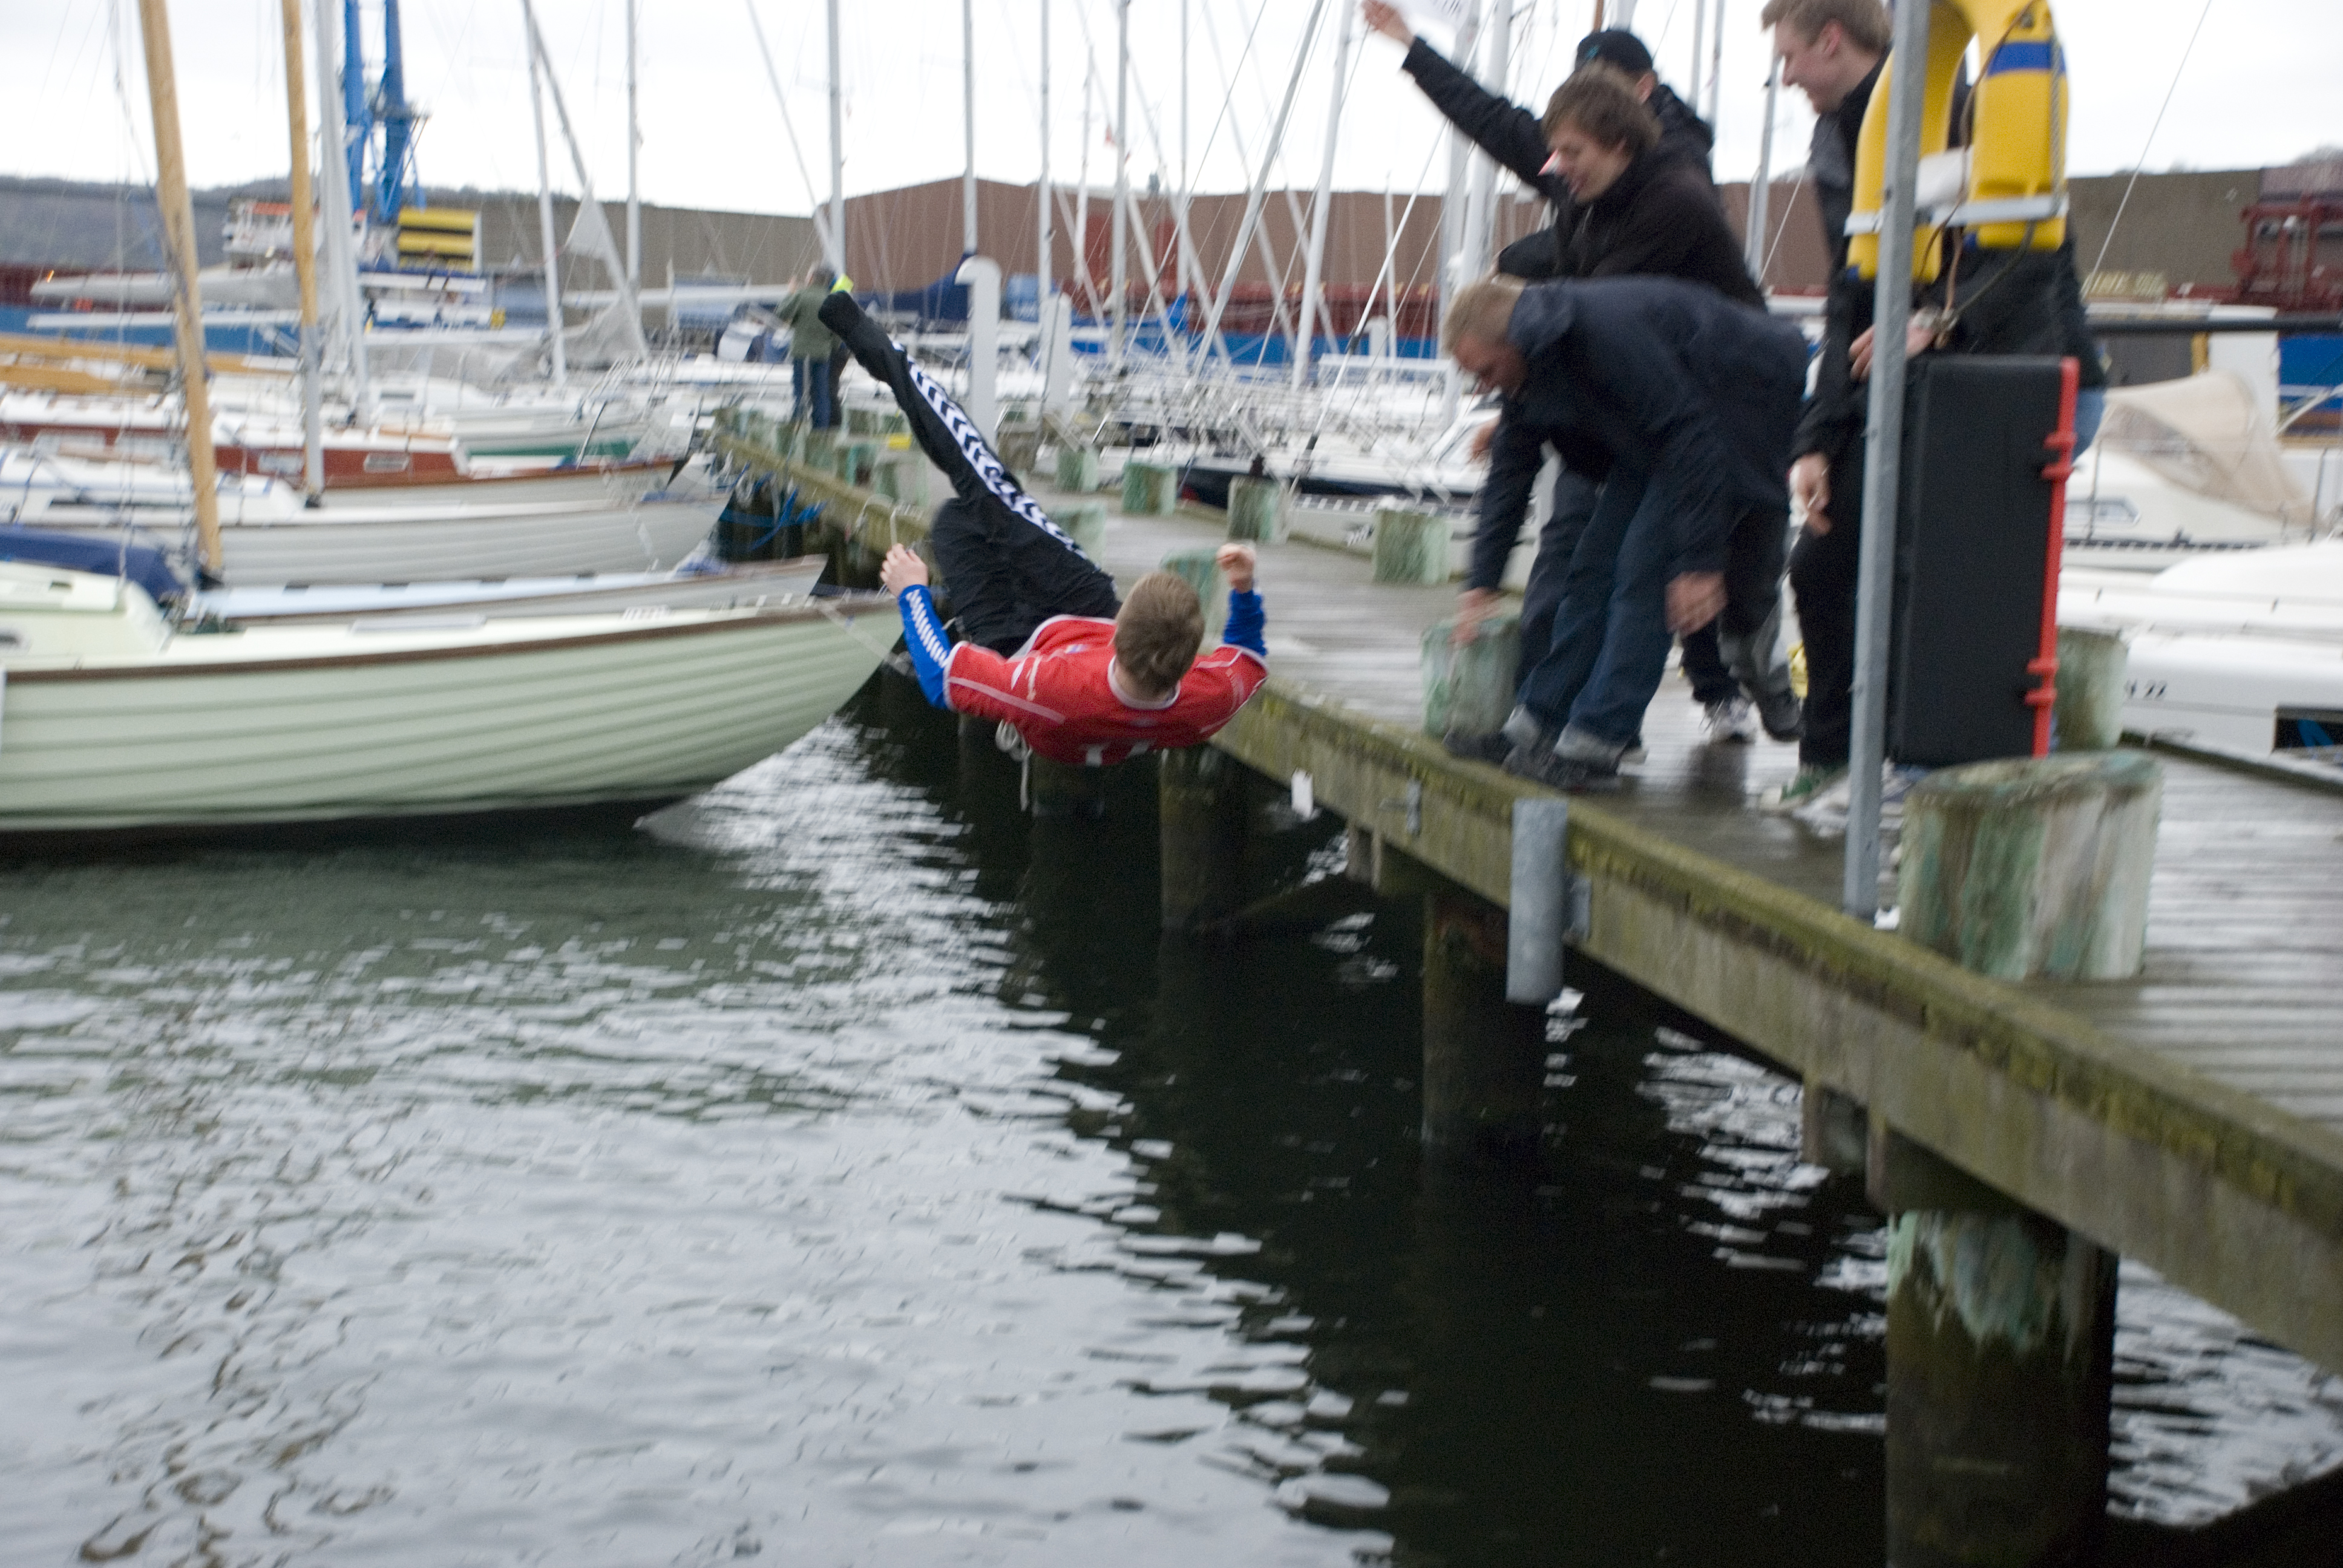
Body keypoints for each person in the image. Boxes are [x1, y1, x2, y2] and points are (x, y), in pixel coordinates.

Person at [1362, 4, 1795, 749]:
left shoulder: (1673, 194)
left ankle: (1701, 693)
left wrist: (1524, 373)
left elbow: (1604, 323)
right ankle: (1547, 717)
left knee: (1692, 575)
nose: (1556, 166)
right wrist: (1412, 49)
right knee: (1583, 555)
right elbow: (1496, 124)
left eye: (1570, 149)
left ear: (1631, 108)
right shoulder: (1582, 175)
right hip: (1616, 388)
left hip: (1718, 398)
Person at [1758, 0, 2105, 812]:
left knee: (1970, 590)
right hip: (1919, 382)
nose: (1785, 77)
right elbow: (1856, 298)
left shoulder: (1962, 102)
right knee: (1825, 561)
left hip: (2021, 383)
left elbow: (2032, 260)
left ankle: (2002, 792)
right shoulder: (1843, 134)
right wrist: (1817, 438)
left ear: (1832, 40)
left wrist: (1938, 322)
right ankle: (1848, 762)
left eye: (1788, 57)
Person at [816, 289, 1268, 768]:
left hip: (1022, 647)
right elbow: (1249, 660)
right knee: (981, 494)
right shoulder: (1207, 698)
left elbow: (940, 678)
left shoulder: (1048, 690)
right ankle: (870, 343)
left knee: (960, 515)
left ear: (1120, 632)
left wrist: (912, 592)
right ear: (1186, 664)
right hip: (1084, 612)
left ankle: (869, 340)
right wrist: (1243, 590)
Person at [1443, 274, 1809, 791]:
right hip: (1666, 433)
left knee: (1644, 571)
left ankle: (1598, 739)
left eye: (1486, 370)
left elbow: (1693, 433)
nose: (1485, 385)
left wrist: (1699, 562)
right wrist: (1480, 585)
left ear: (1516, 341)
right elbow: (1509, 478)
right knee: (1592, 563)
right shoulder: (1532, 371)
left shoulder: (1603, 334)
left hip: (1731, 414)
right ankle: (1539, 721)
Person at [778, 269, 839, 430]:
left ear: (811, 278)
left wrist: (791, 293)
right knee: (821, 394)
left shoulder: (802, 295)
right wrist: (832, 347)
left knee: (800, 392)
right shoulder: (832, 300)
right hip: (823, 353)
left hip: (802, 352)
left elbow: (781, 312)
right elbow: (837, 332)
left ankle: (798, 427)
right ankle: (820, 432)